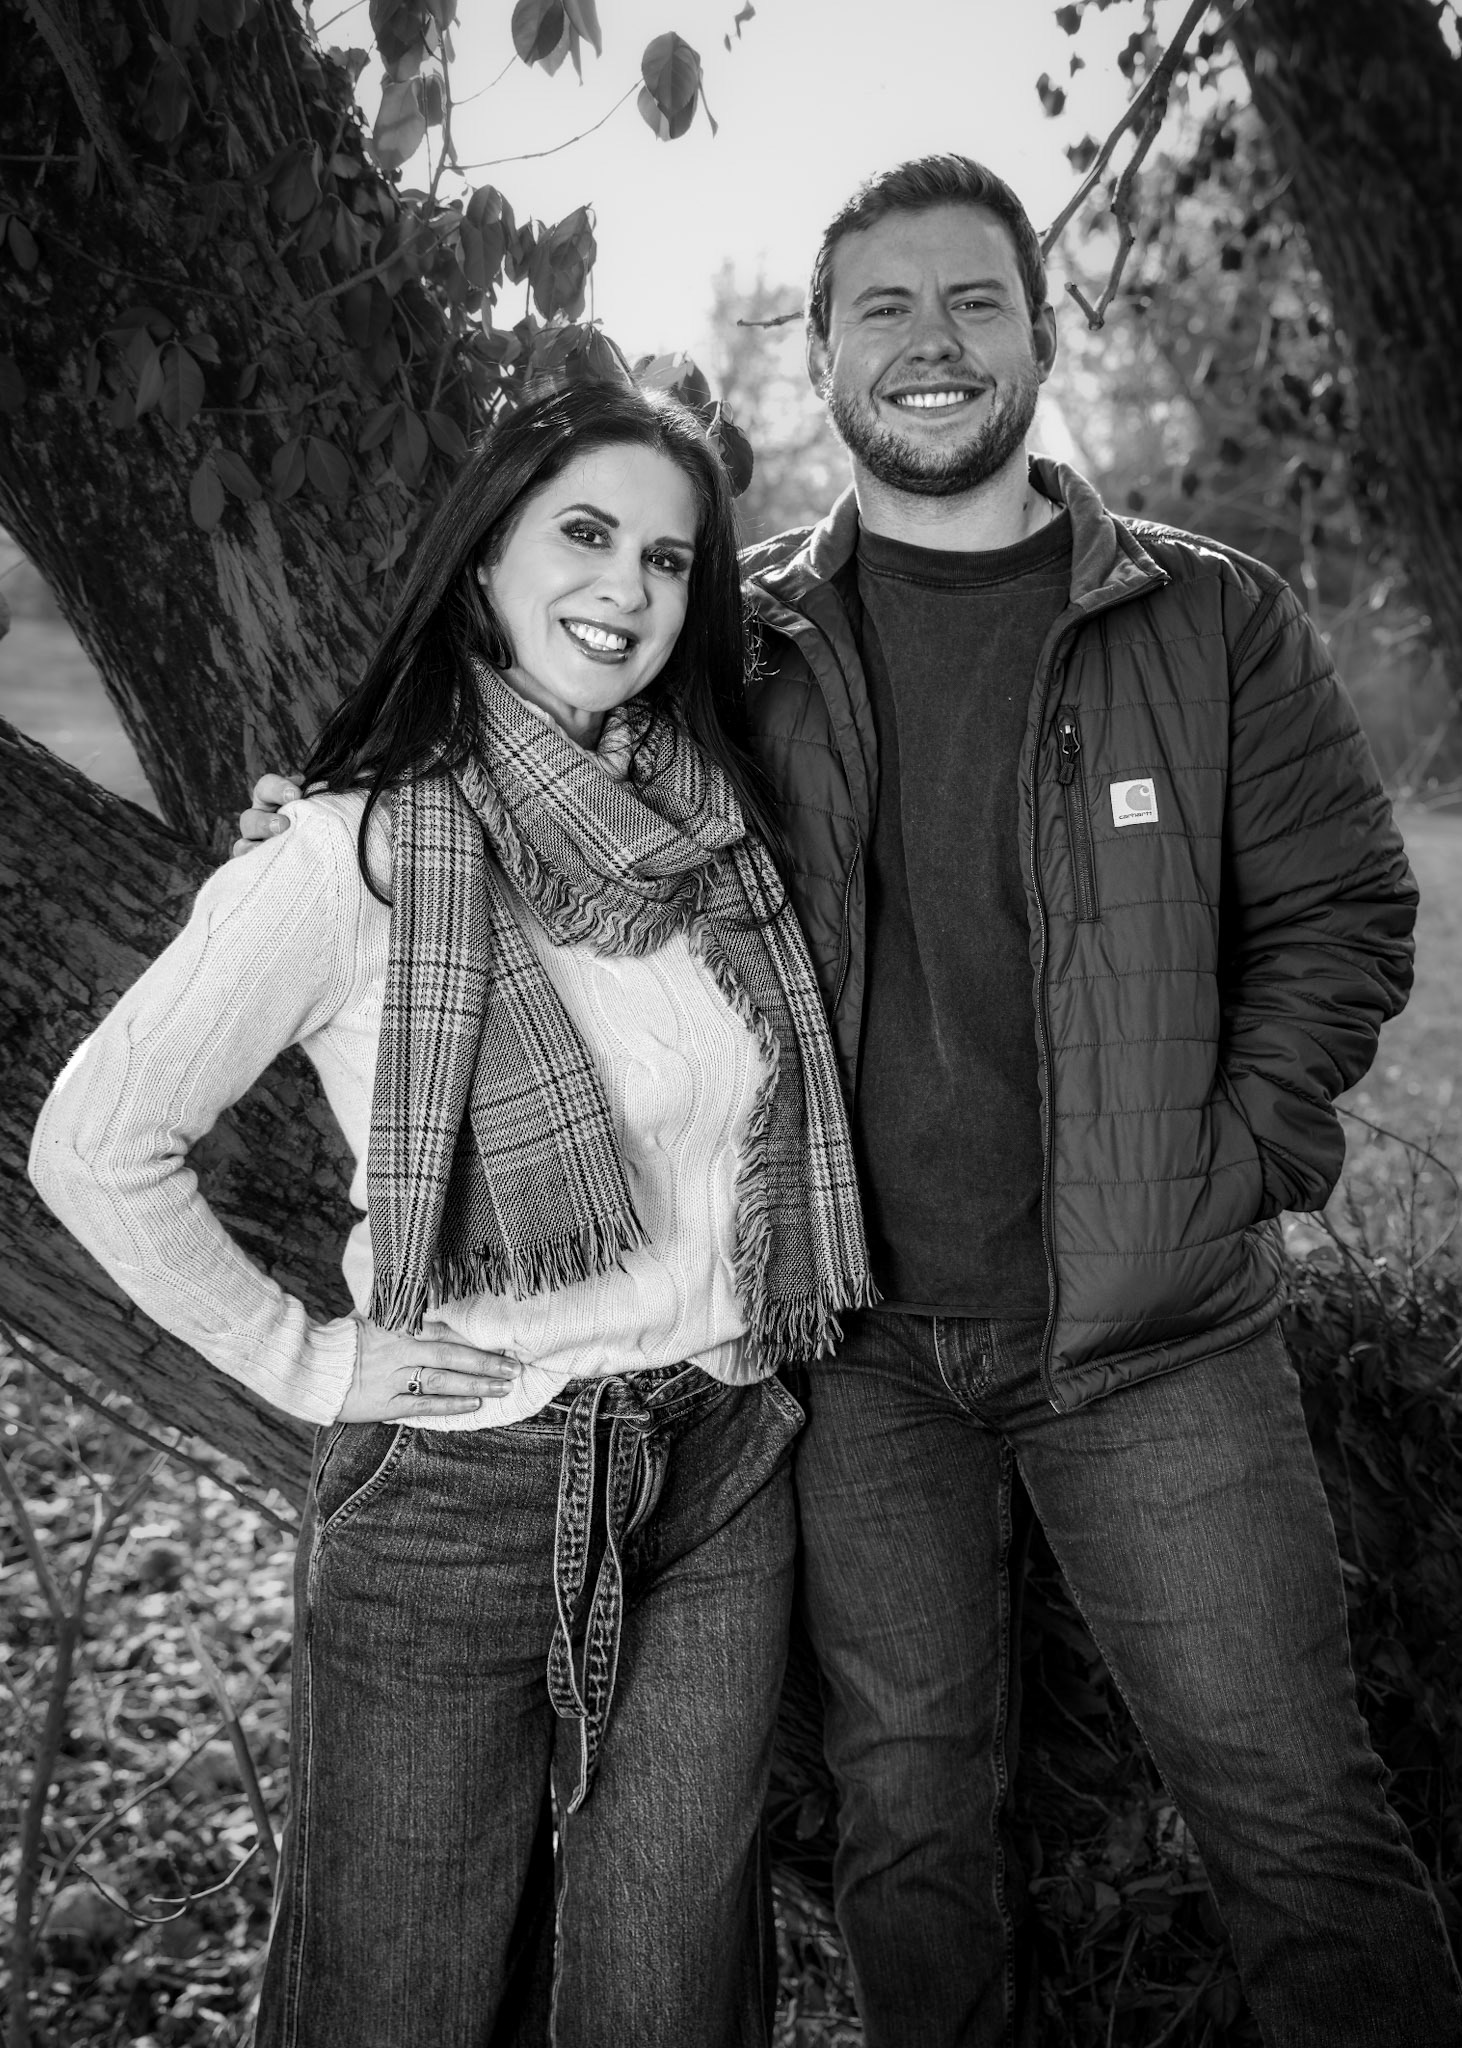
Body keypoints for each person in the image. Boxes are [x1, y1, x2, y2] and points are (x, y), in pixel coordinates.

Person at [236, 159, 1462, 2046]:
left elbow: (1342, 912)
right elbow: (531, 785)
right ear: (819, 358)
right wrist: (327, 833)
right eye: (881, 307)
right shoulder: (745, 645)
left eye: (974, 300)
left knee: (1292, 1814)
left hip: (1153, 1334)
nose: (929, 341)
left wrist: (1232, 1163)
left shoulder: (1210, 618)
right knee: (910, 1822)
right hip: (856, 1348)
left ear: (1039, 339)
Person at [30, 382, 872, 2048]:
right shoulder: (351, 853)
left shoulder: (713, 841)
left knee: (669, 1996)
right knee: (402, 1996)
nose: (625, 586)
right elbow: (96, 1141)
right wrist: (306, 1361)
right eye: (583, 533)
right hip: (467, 1488)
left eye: (668, 559)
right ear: (484, 554)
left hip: (720, 1462)